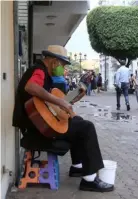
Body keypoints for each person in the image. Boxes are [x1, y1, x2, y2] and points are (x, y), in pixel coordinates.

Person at [12, 45, 114, 192]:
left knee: (78, 123)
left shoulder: (46, 75)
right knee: (87, 127)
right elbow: (31, 87)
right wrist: (60, 101)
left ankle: (77, 166)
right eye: (63, 65)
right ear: (54, 61)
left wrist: (71, 100)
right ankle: (89, 180)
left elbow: (49, 106)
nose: (63, 68)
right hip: (36, 130)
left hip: (38, 125)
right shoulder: (39, 70)